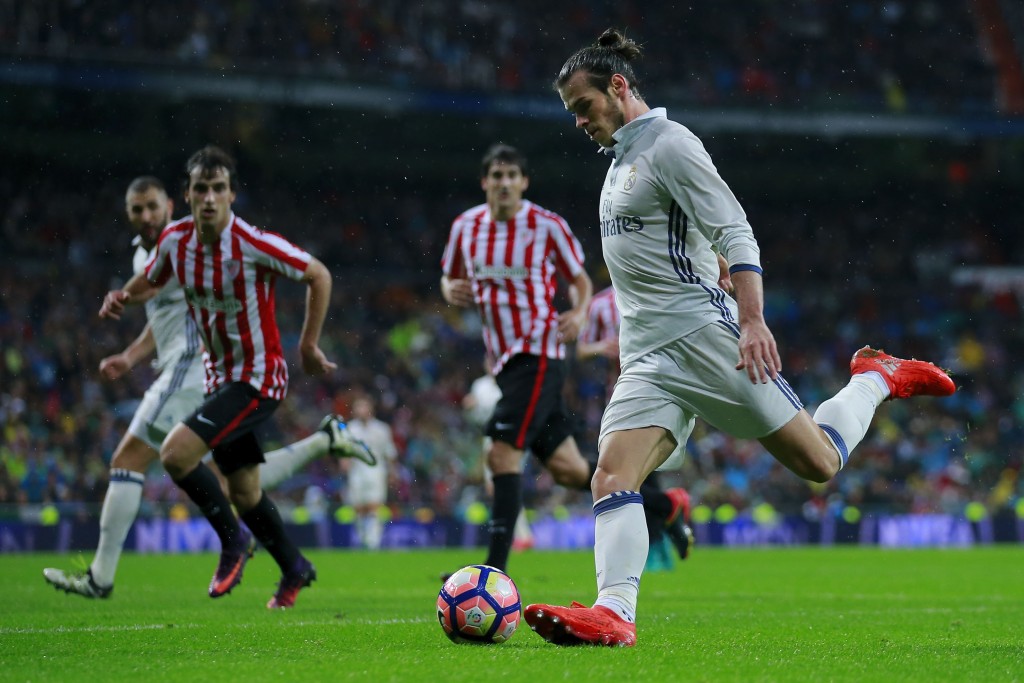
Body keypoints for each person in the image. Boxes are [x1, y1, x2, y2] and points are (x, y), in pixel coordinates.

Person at [523, 29, 956, 647]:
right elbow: (681, 238)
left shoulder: (671, 145)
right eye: (572, 114)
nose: (579, 123)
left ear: (618, 88)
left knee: (820, 463)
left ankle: (874, 378)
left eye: (584, 108)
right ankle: (614, 613)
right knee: (611, 478)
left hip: (703, 337)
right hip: (646, 353)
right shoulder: (621, 161)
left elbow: (736, 231)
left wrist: (751, 319)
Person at [43, 176, 375, 600]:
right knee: (241, 485)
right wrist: (130, 355)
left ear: (171, 203)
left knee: (139, 457)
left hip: (196, 367)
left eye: (151, 207)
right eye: (136, 209)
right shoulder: (158, 252)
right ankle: (298, 547)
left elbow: (301, 274)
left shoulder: (188, 243)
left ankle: (104, 577)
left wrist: (304, 343)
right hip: (205, 370)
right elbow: (164, 312)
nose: (145, 217)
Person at [440, 143, 686, 576]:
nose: (504, 184)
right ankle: (666, 504)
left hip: (539, 354)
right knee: (570, 471)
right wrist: (447, 288)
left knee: (501, 455)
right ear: (485, 183)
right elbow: (450, 273)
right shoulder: (466, 227)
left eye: (511, 176)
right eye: (496, 176)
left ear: (524, 182)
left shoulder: (546, 225)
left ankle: (492, 572)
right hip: (503, 363)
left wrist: (578, 311)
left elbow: (578, 278)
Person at [343, 395, 398, 549]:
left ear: (370, 409)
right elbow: (344, 451)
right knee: (358, 507)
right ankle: (361, 539)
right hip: (356, 471)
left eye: (363, 406)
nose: (360, 410)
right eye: (358, 407)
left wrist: (393, 472)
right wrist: (344, 461)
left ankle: (373, 542)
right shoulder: (350, 428)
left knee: (374, 506)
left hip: (376, 471)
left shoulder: (382, 429)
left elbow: (389, 452)